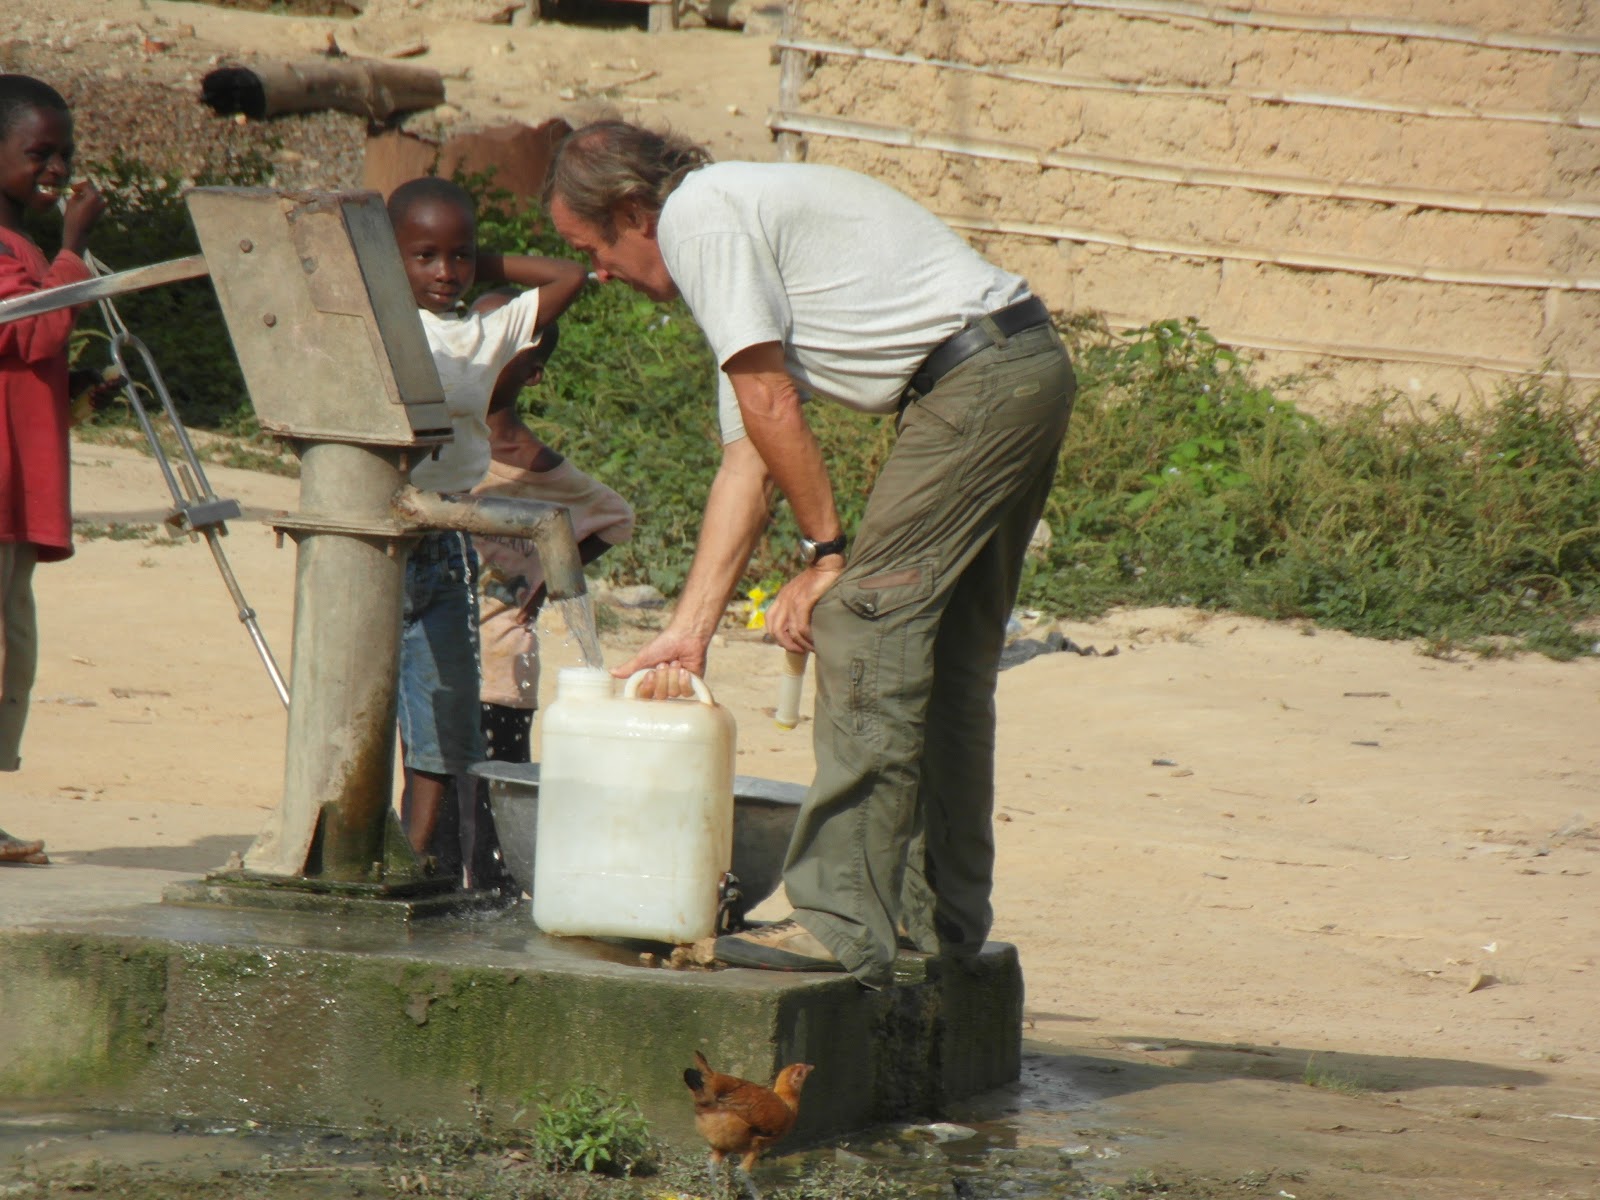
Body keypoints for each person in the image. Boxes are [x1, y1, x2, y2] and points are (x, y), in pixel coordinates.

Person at [545, 121, 1076, 988]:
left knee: (862, 627)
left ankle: (839, 920)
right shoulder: (732, 229)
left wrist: (827, 554)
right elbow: (749, 458)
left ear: (633, 211)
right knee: (941, 656)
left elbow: (772, 401)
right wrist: (689, 631)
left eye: (590, 248)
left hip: (974, 383)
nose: (596, 273)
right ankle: (934, 919)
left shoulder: (700, 220)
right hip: (1018, 364)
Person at [386, 176, 585, 883]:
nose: (446, 274)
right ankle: (361, 846)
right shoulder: (379, 325)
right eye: (425, 256)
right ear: (390, 257)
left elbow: (570, 273)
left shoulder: (481, 334)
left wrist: (482, 262)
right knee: (366, 711)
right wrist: (388, 263)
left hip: (444, 539)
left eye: (459, 257)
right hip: (373, 538)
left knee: (447, 721)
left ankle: (414, 864)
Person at [465, 296, 634, 894]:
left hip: (503, 657)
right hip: (433, 647)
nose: (484, 351)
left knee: (497, 795)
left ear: (532, 372)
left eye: (505, 345)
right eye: (475, 335)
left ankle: (495, 901)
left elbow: (615, 516)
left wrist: (540, 581)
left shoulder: (535, 463)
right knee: (433, 777)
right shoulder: (437, 436)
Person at [1, 75, 109, 866]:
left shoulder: (24, 248)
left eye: (64, 153)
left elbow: (26, 366)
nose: (57, 167)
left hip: (17, 493)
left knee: (14, 654)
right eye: (39, 153)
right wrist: (74, 248)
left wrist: (74, 391)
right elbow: (31, 333)